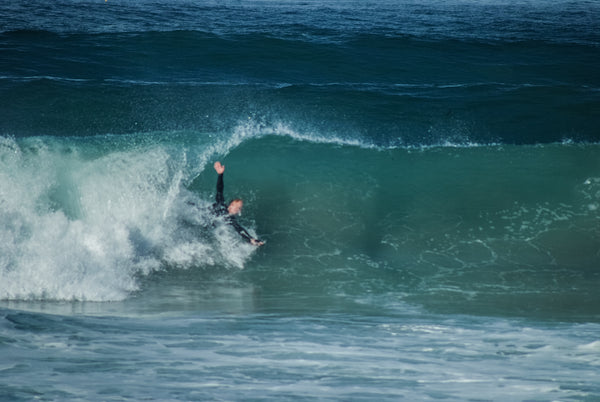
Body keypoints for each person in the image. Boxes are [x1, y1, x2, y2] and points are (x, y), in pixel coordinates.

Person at [212, 161, 264, 246]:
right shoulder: (221, 205)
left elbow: (240, 229)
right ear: (230, 205)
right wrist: (220, 175)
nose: (238, 209)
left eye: (239, 208)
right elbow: (219, 190)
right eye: (237, 207)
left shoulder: (231, 219)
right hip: (200, 215)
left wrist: (250, 239)